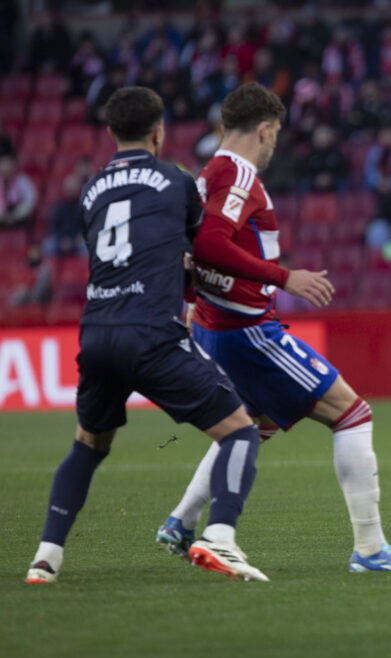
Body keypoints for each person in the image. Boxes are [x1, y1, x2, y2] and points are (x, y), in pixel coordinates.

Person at [155, 83, 391, 573]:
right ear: (265, 130)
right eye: (276, 133)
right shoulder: (237, 172)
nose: (275, 143)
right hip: (248, 332)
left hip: (216, 327)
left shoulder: (206, 176)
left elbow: (191, 250)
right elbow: (214, 244)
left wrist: (194, 298)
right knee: (352, 414)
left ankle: (181, 520)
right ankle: (370, 550)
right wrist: (288, 278)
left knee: (248, 428)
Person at [26, 87, 267, 584]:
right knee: (240, 430)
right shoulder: (175, 181)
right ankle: (220, 535)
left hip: (95, 334)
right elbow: (201, 250)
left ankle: (46, 556)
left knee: (87, 447)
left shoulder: (91, 189)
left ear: (111, 132)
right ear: (159, 131)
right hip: (151, 333)